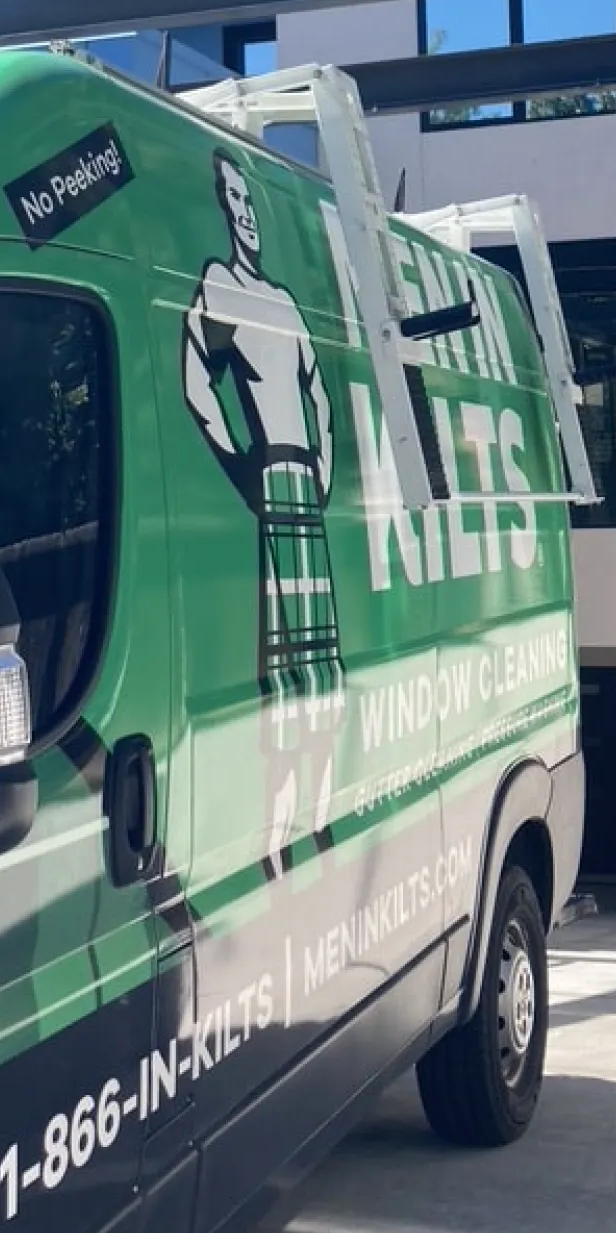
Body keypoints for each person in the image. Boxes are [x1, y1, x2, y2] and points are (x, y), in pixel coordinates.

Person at [182, 152, 345, 876]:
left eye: (249, 201)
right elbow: (195, 377)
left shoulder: (282, 299)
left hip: (303, 479)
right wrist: (239, 461)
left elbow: (321, 395)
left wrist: (327, 471)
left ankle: (320, 821)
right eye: (233, 200)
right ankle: (280, 838)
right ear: (222, 208)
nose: (243, 213)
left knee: (325, 673)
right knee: (283, 678)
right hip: (273, 473)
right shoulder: (220, 286)